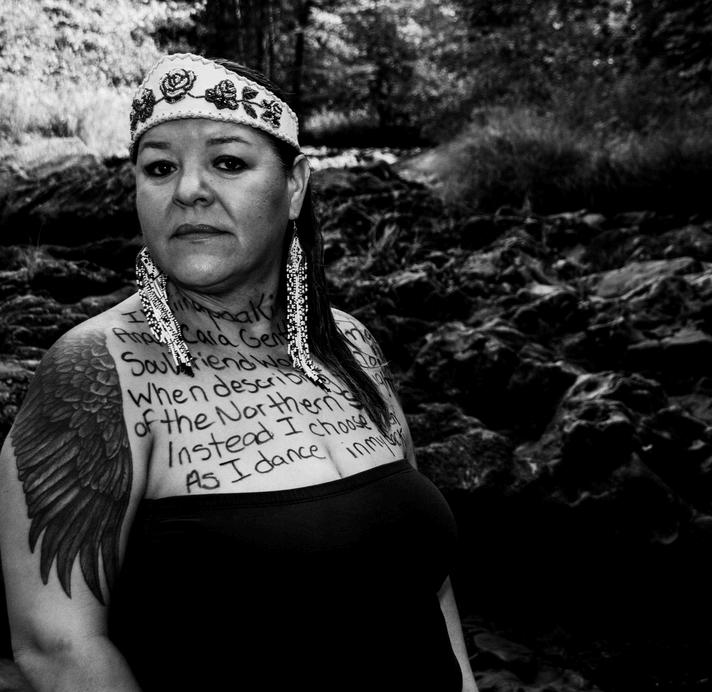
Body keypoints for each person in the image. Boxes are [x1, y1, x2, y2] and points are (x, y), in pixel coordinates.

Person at [0, 53, 477, 691]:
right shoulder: (97, 368)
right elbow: (57, 646)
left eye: (228, 162)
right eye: (159, 168)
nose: (188, 190)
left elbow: (426, 581)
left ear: (295, 186)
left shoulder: (351, 345)